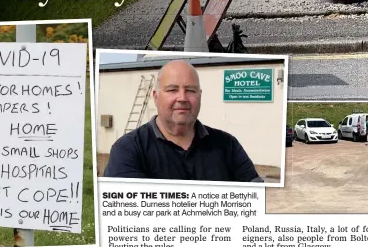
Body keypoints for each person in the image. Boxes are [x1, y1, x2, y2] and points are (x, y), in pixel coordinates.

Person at [103, 60, 263, 182]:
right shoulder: (128, 149)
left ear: (200, 96)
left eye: (190, 90)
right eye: (172, 90)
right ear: (155, 97)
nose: (182, 98)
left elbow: (256, 201)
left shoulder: (227, 145)